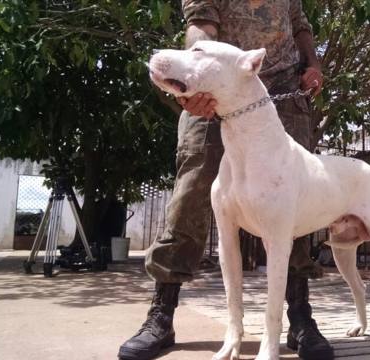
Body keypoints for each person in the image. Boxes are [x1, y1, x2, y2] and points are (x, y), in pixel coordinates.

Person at [118, 1, 334, 359]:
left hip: (280, 93)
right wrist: (193, 82)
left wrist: (312, 63)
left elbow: (300, 25)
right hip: (213, 89)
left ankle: (299, 316)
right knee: (191, 194)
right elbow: (200, 26)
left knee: (293, 202)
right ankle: (161, 313)